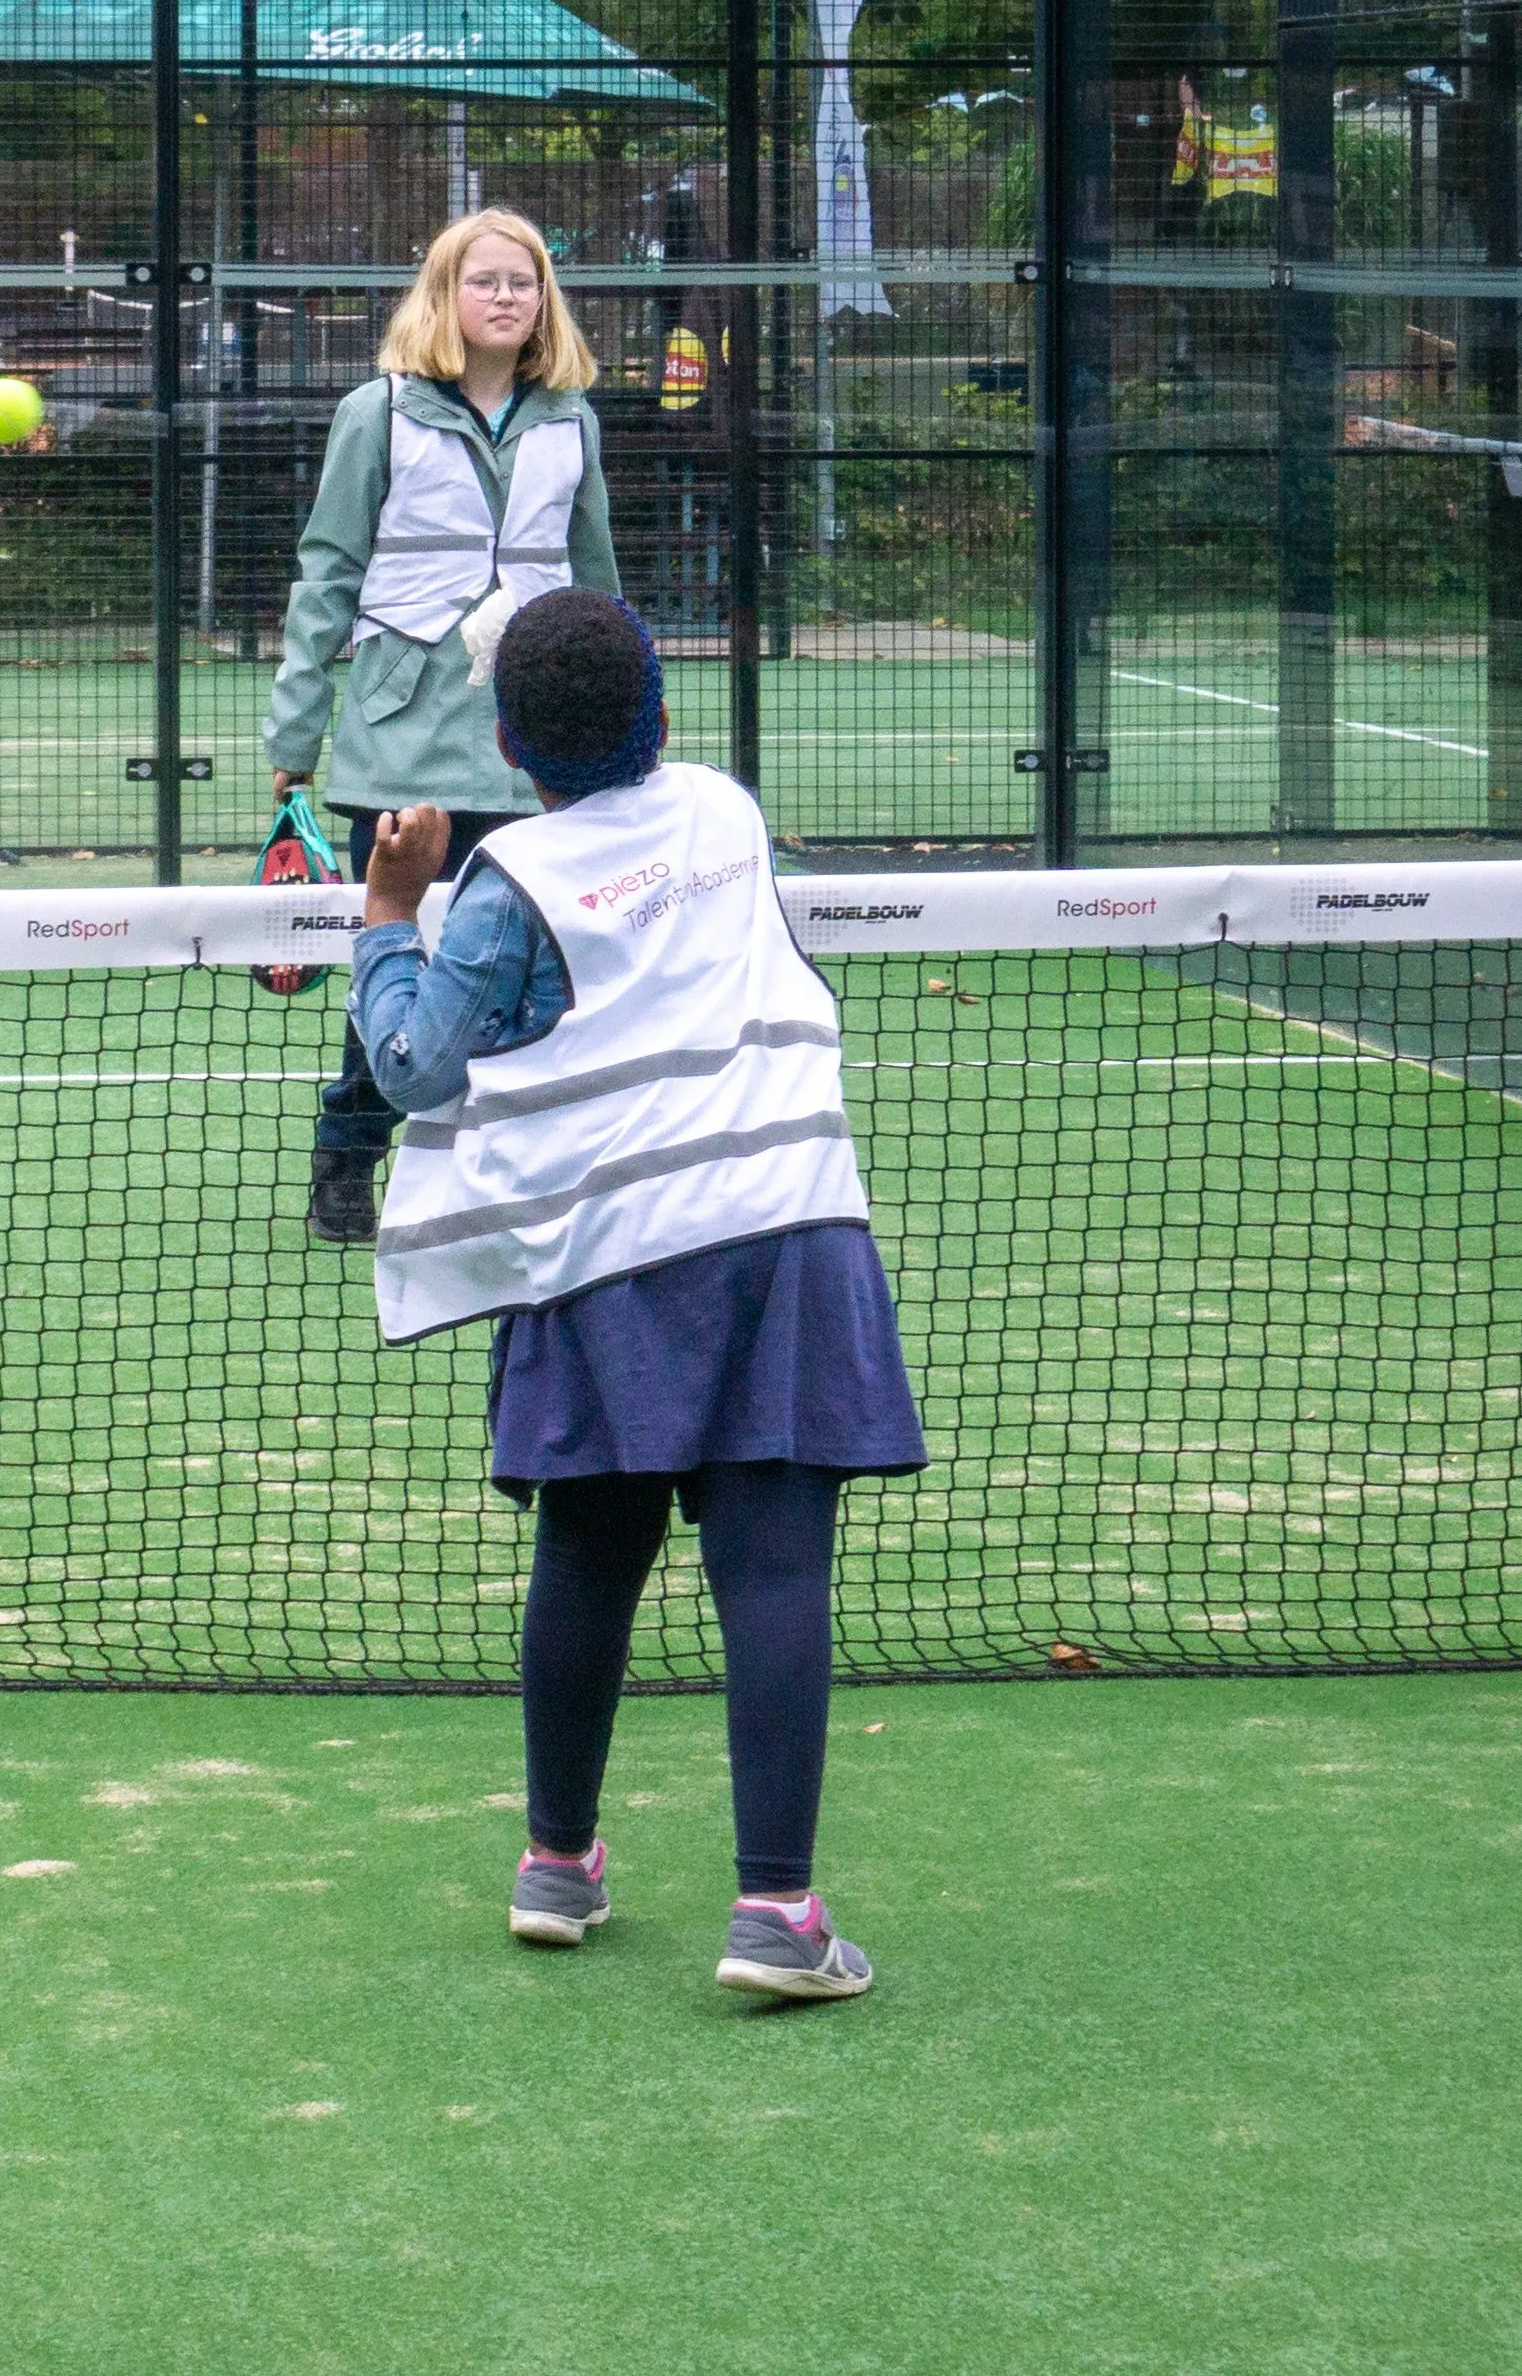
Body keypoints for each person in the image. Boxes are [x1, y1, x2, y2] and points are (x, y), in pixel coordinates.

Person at [346, 588, 926, 2003]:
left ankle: (558, 1862)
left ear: (503, 741)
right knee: (776, 1572)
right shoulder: (728, 811)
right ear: (664, 713)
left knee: (590, 1557)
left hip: (604, 1258)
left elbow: (415, 1066)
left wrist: (384, 914)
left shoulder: (506, 886)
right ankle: (776, 1914)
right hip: (786, 1231)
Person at [267, 207, 623, 1246]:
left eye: (524, 281)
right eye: (484, 281)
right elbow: (326, 574)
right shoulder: (374, 414)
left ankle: (519, 1165)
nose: (506, 297)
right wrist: (294, 735)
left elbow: (593, 582)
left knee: (536, 956)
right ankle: (349, 1155)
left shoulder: (572, 418)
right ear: (444, 296)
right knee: (404, 949)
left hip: (533, 741)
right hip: (403, 733)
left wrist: (620, 724)